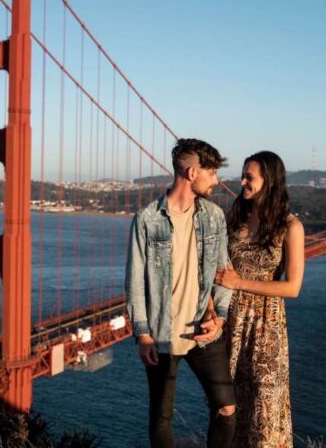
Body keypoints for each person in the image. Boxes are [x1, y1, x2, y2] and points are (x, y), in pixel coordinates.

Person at [125, 138, 237, 448]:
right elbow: (135, 281)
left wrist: (221, 318)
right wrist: (143, 334)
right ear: (191, 172)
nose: (216, 180)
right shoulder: (147, 219)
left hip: (203, 328)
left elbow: (223, 272)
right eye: (212, 172)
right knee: (161, 417)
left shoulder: (213, 216)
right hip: (162, 334)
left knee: (226, 407)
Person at [213, 151, 305, 447]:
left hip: (267, 328)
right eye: (243, 175)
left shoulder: (291, 227)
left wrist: (238, 282)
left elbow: (292, 288)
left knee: (264, 409)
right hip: (230, 325)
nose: (242, 182)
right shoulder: (234, 219)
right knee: (229, 411)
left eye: (249, 177)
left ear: (270, 180)